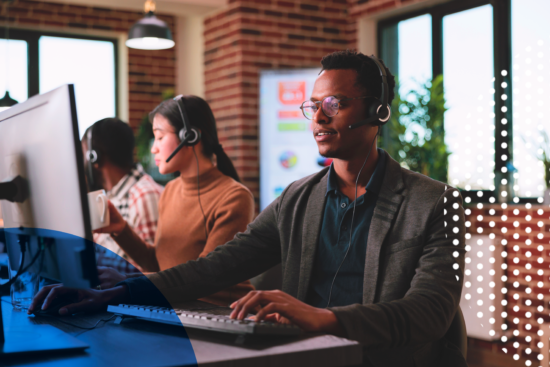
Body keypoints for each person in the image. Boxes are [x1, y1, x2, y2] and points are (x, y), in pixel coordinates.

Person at [30, 51, 466, 366]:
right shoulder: (299, 198)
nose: (318, 118)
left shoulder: (434, 202)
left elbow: (429, 312)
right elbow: (210, 269)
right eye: (313, 106)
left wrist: (322, 318)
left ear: (378, 111)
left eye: (335, 104)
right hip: (309, 359)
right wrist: (106, 296)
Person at [89, 96, 255, 305]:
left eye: (159, 137)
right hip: (179, 309)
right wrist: (121, 230)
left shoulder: (234, 197)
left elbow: (205, 277)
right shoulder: (171, 191)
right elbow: (159, 264)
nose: (153, 148)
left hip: (221, 314)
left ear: (190, 136)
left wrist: (129, 282)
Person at [82, 118, 164, 274]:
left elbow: (155, 272)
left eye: (82, 155)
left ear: (95, 157)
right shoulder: (111, 197)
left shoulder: (144, 196)